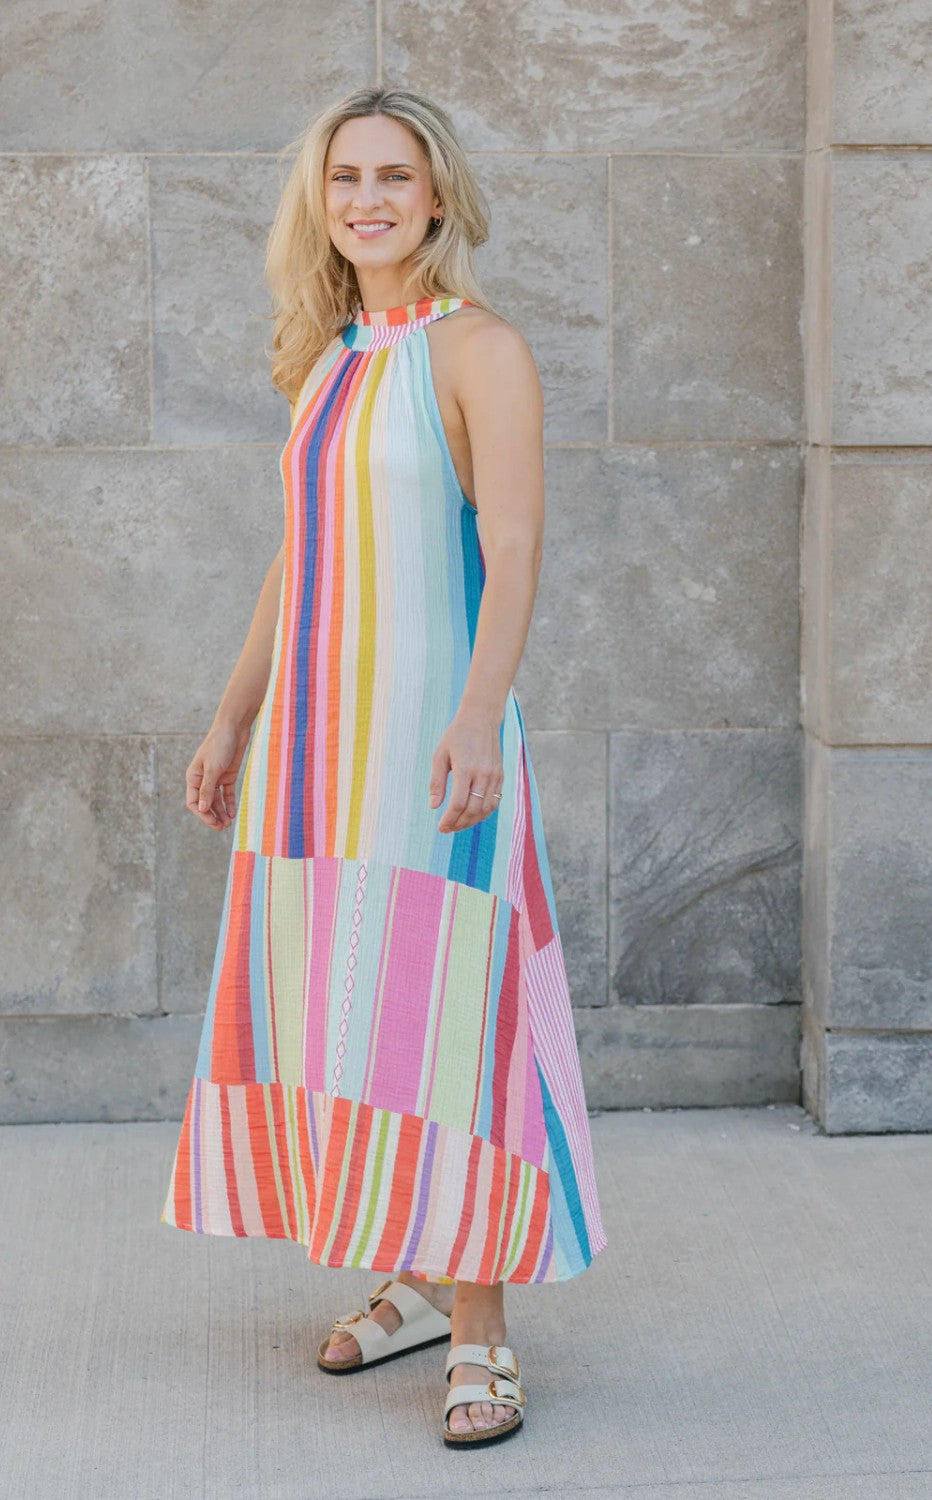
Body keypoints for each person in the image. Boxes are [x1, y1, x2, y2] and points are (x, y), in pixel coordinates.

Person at [160, 83, 606, 1448]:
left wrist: (479, 716)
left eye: (392, 176)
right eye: (345, 177)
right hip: (314, 754)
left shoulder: (483, 350)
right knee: (354, 1016)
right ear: (323, 201)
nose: (367, 198)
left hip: (429, 747)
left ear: (438, 194)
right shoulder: (332, 354)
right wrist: (234, 718)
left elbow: (516, 549)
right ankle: (413, 1280)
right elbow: (300, 559)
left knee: (453, 1019)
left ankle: (482, 1329)